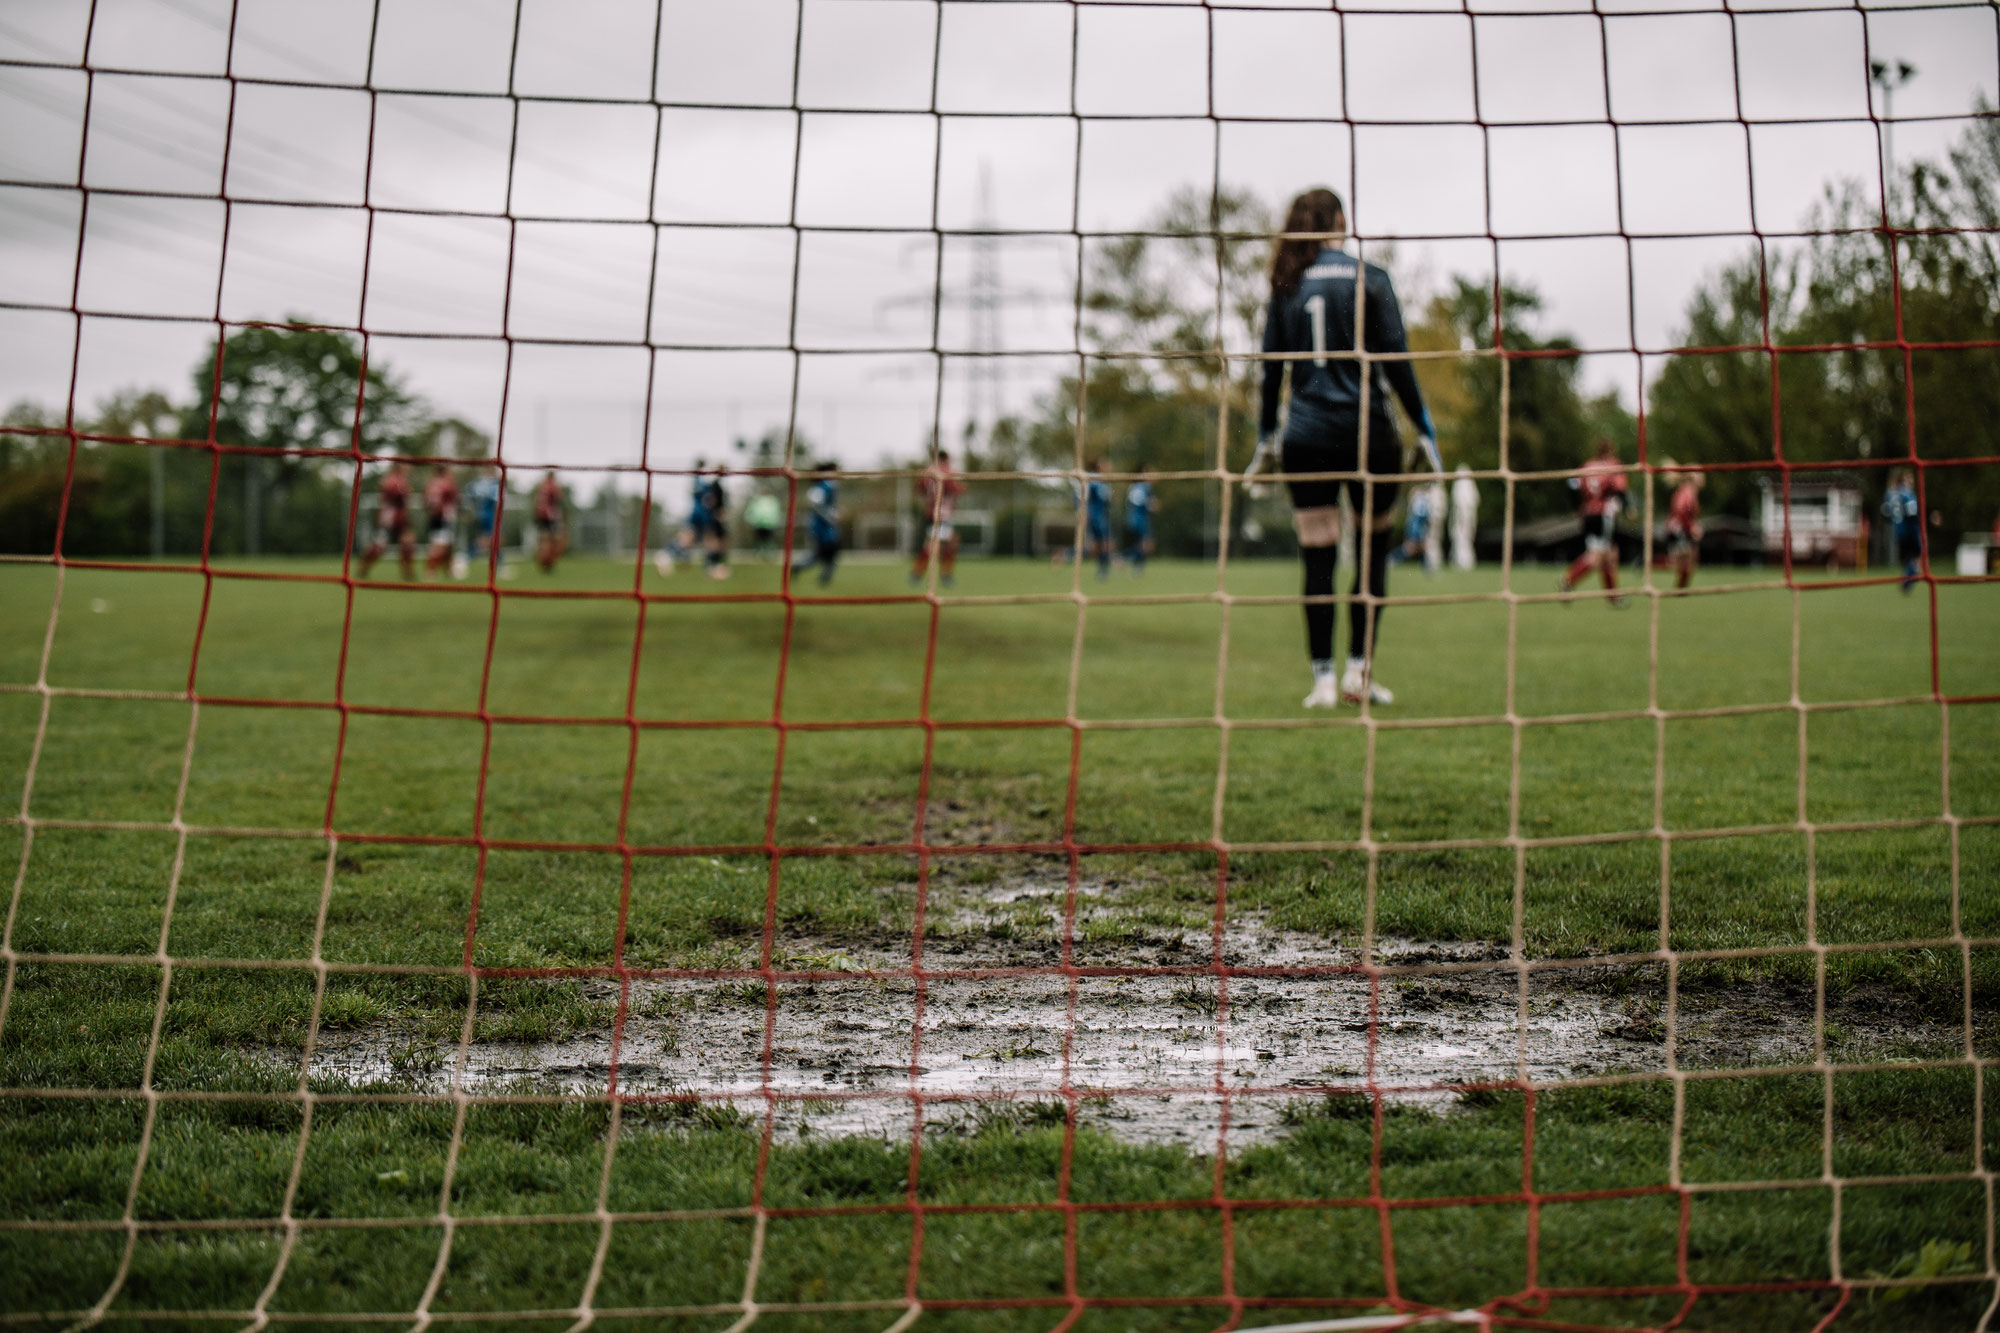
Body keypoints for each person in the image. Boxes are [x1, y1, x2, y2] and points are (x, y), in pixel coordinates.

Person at [1247, 187, 1438, 709]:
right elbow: (1398, 362)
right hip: (1367, 434)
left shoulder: (1286, 283)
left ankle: (1323, 681)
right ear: (1340, 221)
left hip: (1306, 436)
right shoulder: (1371, 277)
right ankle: (1359, 671)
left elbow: (1271, 371)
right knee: (1373, 552)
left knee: (1318, 555)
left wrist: (1266, 436)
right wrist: (1424, 427)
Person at [1558, 438, 1630, 608]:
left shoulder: (1587, 465)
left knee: (1609, 554)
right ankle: (1568, 580)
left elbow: (1572, 485)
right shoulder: (1613, 465)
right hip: (1603, 514)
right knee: (1598, 556)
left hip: (1588, 513)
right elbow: (1620, 488)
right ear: (1611, 450)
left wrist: (1577, 506)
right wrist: (1628, 507)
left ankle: (1613, 597)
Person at [910, 448, 966, 587]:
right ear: (945, 459)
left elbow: (919, 487)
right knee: (937, 546)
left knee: (945, 545)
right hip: (941, 514)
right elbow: (958, 489)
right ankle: (921, 574)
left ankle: (921, 574)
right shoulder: (944, 472)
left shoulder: (929, 473)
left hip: (934, 513)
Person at [359, 460, 416, 580]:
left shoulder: (401, 480)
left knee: (408, 543)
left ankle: (408, 573)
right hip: (390, 519)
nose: (409, 467)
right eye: (406, 464)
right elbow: (393, 495)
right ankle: (363, 567)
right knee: (380, 547)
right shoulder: (393, 480)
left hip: (401, 519)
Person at [791, 461, 842, 586]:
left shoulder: (828, 485)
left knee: (831, 551)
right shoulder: (824, 486)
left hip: (826, 526)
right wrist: (832, 516)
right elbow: (816, 506)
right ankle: (798, 567)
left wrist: (834, 513)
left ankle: (825, 576)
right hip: (820, 526)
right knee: (821, 553)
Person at [1664, 468, 1705, 591]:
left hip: (1680, 528)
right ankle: (1680, 589)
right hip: (1680, 529)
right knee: (1686, 562)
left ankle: (1681, 589)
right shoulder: (1688, 491)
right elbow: (1681, 511)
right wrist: (1691, 527)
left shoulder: (1687, 490)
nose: (1703, 477)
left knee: (1687, 561)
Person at [1882, 467, 1922, 593]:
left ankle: (1907, 578)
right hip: (1910, 529)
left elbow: (1885, 512)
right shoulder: (1907, 493)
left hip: (1897, 531)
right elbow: (1912, 513)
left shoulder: (1889, 494)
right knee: (1916, 560)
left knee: (1907, 560)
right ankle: (1907, 581)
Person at [463, 465, 503, 580]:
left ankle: (500, 566)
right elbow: (496, 502)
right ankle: (465, 558)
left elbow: (469, 493)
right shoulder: (494, 484)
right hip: (490, 515)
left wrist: (472, 508)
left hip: (480, 515)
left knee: (492, 541)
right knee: (488, 541)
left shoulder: (478, 482)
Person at [421, 462, 459, 578]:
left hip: (433, 516)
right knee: (440, 545)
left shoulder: (431, 483)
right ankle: (430, 571)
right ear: (445, 471)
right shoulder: (448, 483)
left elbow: (425, 500)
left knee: (447, 544)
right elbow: (455, 498)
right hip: (444, 517)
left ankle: (449, 570)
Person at [1392, 483, 1437, 577]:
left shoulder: (1420, 496)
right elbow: (1420, 516)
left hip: (1417, 526)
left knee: (1422, 548)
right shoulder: (1421, 498)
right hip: (1416, 527)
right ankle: (1391, 559)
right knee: (1410, 548)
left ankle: (1427, 570)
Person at [1083, 457, 1115, 580]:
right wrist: (1085, 513)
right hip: (1096, 517)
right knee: (1102, 544)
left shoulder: (1104, 482)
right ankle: (1066, 556)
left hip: (1103, 516)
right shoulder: (1094, 481)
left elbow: (1108, 500)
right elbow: (1085, 498)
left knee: (1103, 544)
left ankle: (1103, 570)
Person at [697, 464, 730, 579]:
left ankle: (715, 566)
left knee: (720, 542)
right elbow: (709, 500)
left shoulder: (717, 485)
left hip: (715, 517)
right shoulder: (715, 485)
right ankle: (713, 567)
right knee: (715, 542)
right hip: (714, 518)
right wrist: (717, 513)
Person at [1124, 462, 1158, 575]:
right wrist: (1150, 504)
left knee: (1144, 546)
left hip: (1138, 519)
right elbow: (1138, 501)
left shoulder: (1138, 486)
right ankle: (1122, 558)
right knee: (1146, 546)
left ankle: (1136, 568)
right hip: (1139, 519)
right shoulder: (1141, 486)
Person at [532, 469, 566, 573]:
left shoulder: (541, 486)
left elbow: (536, 502)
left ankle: (544, 563)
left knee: (544, 541)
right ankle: (548, 563)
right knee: (556, 541)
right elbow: (559, 500)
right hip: (551, 517)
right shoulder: (553, 487)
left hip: (541, 517)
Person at [1449, 464, 1478, 571]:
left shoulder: (1463, 487)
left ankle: (1464, 561)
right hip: (1464, 518)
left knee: (1462, 538)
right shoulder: (1469, 487)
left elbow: (1461, 504)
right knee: (1461, 539)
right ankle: (1462, 560)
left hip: (1463, 519)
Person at [744, 487, 783, 562]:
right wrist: (751, 521)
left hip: (770, 523)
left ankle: (769, 554)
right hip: (758, 524)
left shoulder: (772, 500)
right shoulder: (757, 500)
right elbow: (750, 511)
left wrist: (776, 521)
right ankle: (760, 554)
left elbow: (776, 511)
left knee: (769, 540)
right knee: (760, 540)